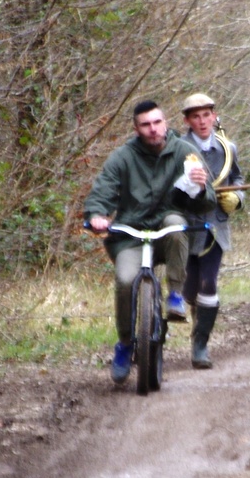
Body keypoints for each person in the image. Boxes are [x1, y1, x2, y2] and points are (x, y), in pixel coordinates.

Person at [84, 100, 216, 384]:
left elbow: (207, 204)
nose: (153, 129)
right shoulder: (123, 157)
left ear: (165, 123)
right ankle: (125, 343)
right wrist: (97, 214)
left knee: (175, 223)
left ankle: (175, 295)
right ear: (136, 128)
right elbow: (103, 190)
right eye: (145, 124)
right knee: (124, 280)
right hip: (129, 235)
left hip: (167, 234)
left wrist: (202, 187)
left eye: (157, 122)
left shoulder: (185, 151)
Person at [180, 93, 245, 369]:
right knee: (188, 289)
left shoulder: (228, 147)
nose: (202, 121)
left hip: (216, 226)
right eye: (196, 116)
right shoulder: (178, 148)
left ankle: (200, 345)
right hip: (186, 226)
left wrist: (238, 198)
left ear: (214, 116)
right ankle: (177, 331)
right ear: (187, 120)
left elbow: (238, 177)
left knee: (209, 283)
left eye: (206, 115)